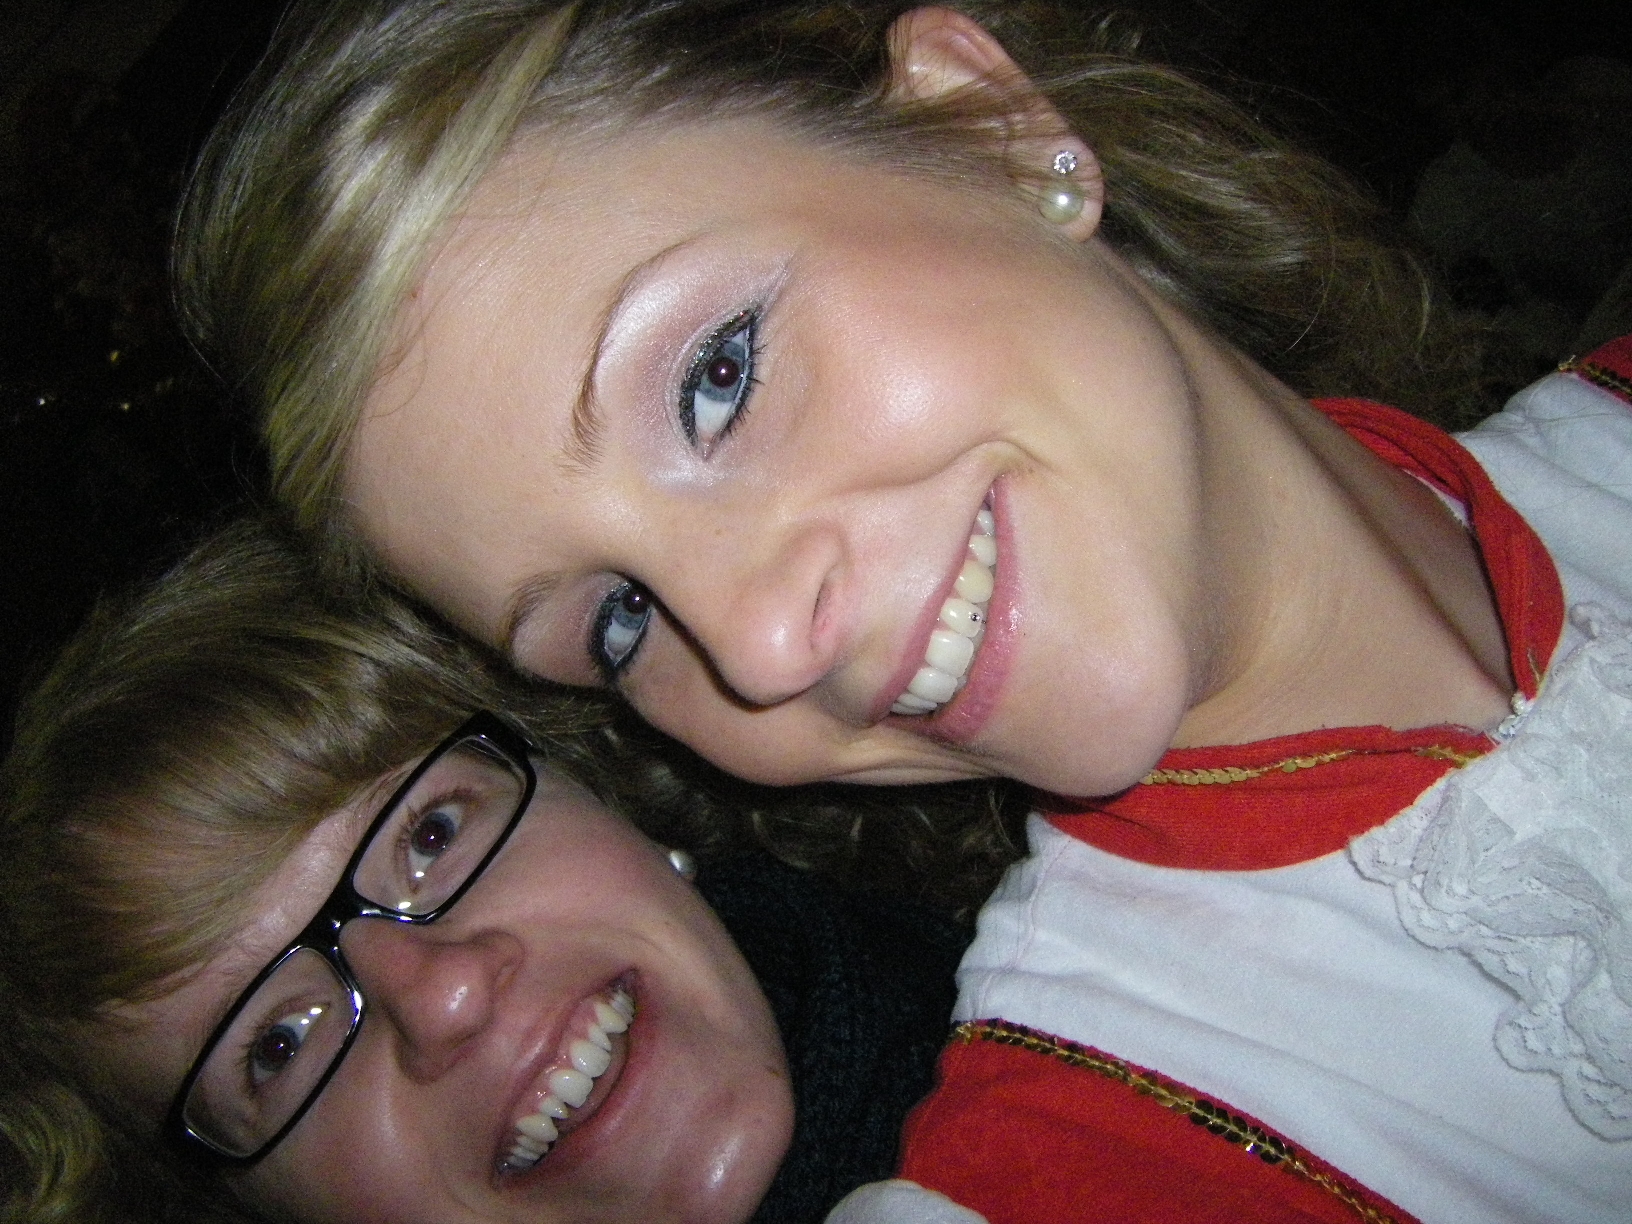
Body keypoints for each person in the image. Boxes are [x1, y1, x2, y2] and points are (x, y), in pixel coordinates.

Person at [174, 1, 1632, 1219]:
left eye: (718, 379)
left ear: (990, 130)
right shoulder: (1098, 1143)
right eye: (619, 622)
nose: (755, 649)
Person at [0, 517, 972, 1224]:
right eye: (276, 1047)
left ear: (597, 781)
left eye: (430, 835)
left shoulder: (1056, 899)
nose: (446, 997)